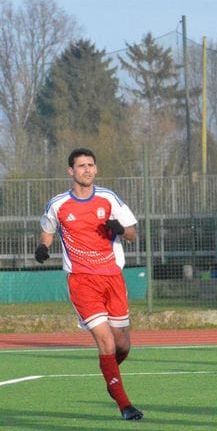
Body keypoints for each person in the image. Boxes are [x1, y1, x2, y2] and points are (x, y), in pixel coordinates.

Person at [35, 148, 144, 420]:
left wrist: (120, 229)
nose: (87, 170)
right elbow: (48, 229)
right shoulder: (58, 204)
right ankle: (124, 405)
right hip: (82, 281)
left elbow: (132, 232)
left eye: (91, 165)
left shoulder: (109, 198)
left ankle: (111, 377)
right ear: (70, 171)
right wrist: (43, 247)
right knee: (105, 342)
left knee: (122, 345)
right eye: (81, 166)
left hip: (113, 279)